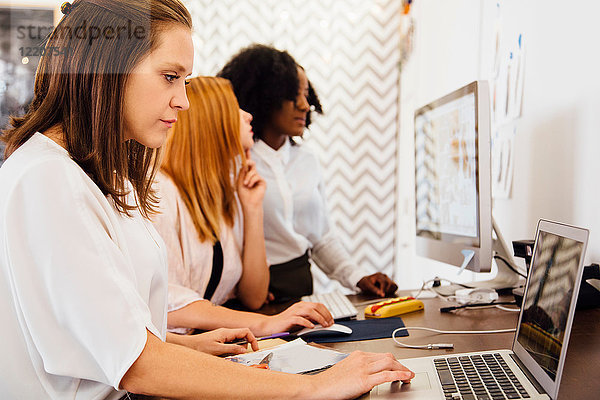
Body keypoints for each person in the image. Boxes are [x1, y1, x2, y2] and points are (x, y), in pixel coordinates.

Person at [0, 1, 413, 398]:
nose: (183, 100)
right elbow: (135, 364)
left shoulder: (90, 176)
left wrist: (188, 349)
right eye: (169, 76)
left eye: (185, 81)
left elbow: (107, 337)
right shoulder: (48, 179)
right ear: (107, 71)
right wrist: (316, 386)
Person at [153, 76, 335, 335]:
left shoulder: (228, 193)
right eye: (234, 106)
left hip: (210, 341)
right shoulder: (160, 191)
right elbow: (168, 301)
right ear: (212, 121)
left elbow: (255, 296)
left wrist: (253, 209)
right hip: (179, 350)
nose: (248, 115)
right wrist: (262, 323)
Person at [218, 44, 399, 301]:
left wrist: (358, 277)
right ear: (264, 95)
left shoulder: (307, 160)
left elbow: (321, 238)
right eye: (294, 94)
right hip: (249, 296)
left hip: (301, 292)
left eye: (306, 94)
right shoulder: (233, 162)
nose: (305, 105)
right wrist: (239, 287)